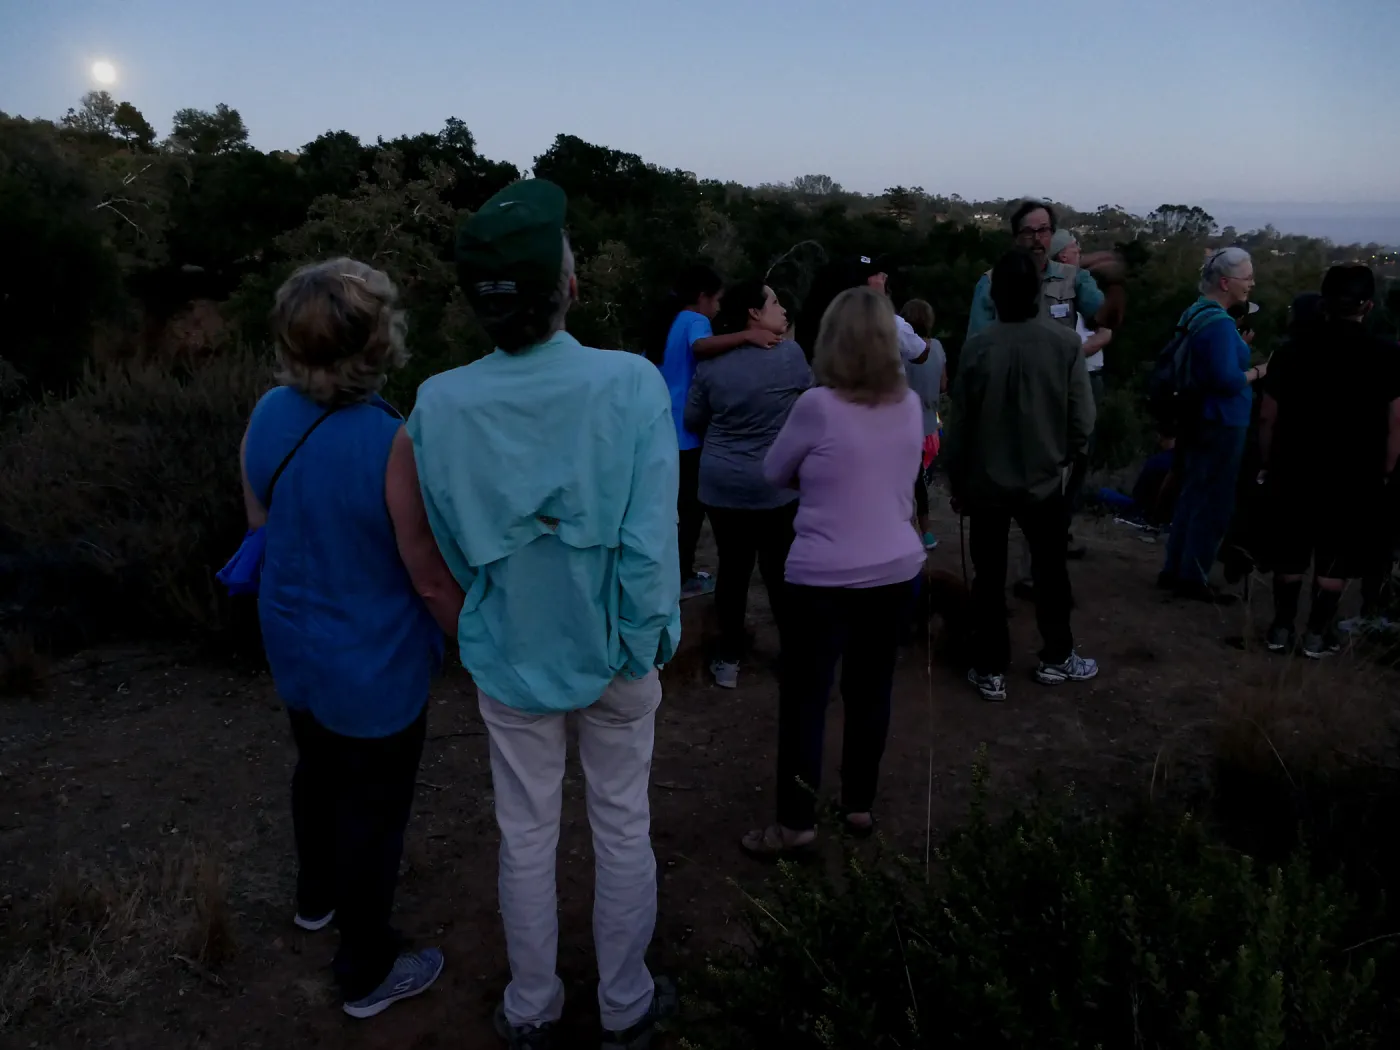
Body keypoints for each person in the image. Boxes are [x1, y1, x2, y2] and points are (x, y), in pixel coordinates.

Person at [408, 180, 680, 1050]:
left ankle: (532, 1007)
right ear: (567, 286)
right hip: (614, 649)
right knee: (621, 819)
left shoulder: (437, 404)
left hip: (509, 651)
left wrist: (483, 626)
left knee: (525, 832)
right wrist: (642, 645)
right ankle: (626, 1005)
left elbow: (449, 541)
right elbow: (648, 544)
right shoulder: (630, 385)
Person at [239, 259, 459, 1018]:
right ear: (377, 343)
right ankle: (366, 972)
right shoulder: (394, 440)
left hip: (294, 641)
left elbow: (260, 522)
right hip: (373, 659)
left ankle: (315, 897)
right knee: (375, 808)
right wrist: (475, 642)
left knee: (317, 767)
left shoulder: (269, 412)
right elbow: (427, 573)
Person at [741, 285, 924, 858]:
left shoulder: (816, 406)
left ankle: (796, 823)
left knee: (806, 699)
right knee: (872, 690)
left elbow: (774, 473)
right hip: (896, 568)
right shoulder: (910, 404)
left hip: (824, 578)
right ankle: (858, 804)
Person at [945, 249, 1098, 702]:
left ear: (995, 295)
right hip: (1044, 482)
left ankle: (990, 667)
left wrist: (958, 480)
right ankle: (1056, 656)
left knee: (988, 576)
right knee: (1051, 572)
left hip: (987, 485)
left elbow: (961, 427)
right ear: (1037, 292)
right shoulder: (1066, 344)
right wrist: (1065, 456)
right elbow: (1082, 420)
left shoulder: (977, 347)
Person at [1259, 265, 1400, 657]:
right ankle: (1317, 635)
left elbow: (1269, 414)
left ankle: (1281, 629)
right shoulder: (1387, 354)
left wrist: (1268, 460)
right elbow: (1396, 421)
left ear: (1323, 301)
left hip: (1294, 465)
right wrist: (1387, 468)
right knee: (1335, 557)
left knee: (1290, 551)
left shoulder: (1291, 350)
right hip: (1356, 473)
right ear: (1368, 305)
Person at [685, 280, 812, 690]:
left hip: (722, 484)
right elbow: (810, 405)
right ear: (754, 314)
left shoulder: (711, 365)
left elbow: (693, 419)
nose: (783, 310)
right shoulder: (791, 356)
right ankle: (795, 656)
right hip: (775, 483)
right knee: (780, 572)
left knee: (733, 571)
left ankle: (728, 660)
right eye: (775, 302)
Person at [657, 263, 780, 600]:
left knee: (675, 509)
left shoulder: (665, 321)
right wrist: (747, 335)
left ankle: (674, 573)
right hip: (687, 431)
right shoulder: (694, 320)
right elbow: (701, 347)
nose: (718, 309)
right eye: (717, 301)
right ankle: (681, 579)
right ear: (702, 298)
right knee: (691, 512)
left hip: (662, 428)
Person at [1158, 247, 1268, 604]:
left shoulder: (1196, 311)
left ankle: (1175, 569)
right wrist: (1258, 372)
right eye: (1246, 277)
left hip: (1198, 416)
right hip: (1221, 420)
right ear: (1225, 282)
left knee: (1193, 494)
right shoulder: (1220, 323)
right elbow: (1225, 378)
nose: (1252, 283)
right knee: (1214, 501)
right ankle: (1193, 576)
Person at [966, 201, 1126, 341]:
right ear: (1016, 238)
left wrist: (1114, 284)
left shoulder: (1073, 277)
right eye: (1029, 232)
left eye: (1043, 230)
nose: (1037, 239)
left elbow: (1104, 319)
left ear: (1052, 233)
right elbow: (978, 345)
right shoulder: (991, 282)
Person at [1050, 229, 1113, 558]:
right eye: (1075, 248)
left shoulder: (1081, 287)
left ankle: (1061, 530)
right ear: (1062, 256)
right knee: (1072, 460)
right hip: (1080, 381)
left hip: (1091, 378)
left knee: (1080, 462)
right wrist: (1101, 340)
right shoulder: (1060, 294)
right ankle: (1054, 534)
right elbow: (1065, 349)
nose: (1080, 252)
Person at [795, 255, 930, 366]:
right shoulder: (887, 322)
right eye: (875, 277)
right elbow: (921, 354)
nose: (882, 279)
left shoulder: (820, 323)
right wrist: (880, 301)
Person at [900, 298, 945, 550]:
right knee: (920, 483)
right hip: (931, 429)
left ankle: (918, 532)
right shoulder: (937, 347)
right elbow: (943, 385)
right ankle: (925, 533)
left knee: (910, 485)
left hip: (906, 429)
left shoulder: (902, 352)